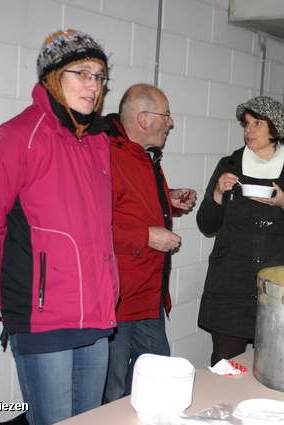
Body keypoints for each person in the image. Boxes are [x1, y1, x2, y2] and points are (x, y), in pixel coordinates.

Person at [0, 30, 118, 425]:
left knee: (90, 420)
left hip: (96, 318)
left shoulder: (97, 141)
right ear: (53, 77)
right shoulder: (14, 139)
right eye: (81, 72)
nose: (93, 85)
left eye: (100, 76)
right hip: (42, 318)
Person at [196, 96, 284, 366]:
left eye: (257, 123)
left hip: (279, 285)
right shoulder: (229, 166)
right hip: (231, 284)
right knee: (224, 365)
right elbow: (206, 224)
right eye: (246, 123)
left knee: (276, 365)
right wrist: (218, 193)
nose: (248, 130)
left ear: (275, 129)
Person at [102, 84, 197, 403]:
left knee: (157, 379)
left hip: (149, 294)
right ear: (143, 118)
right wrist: (147, 236)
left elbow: (131, 205)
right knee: (112, 389)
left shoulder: (145, 156)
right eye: (166, 115)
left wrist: (168, 201)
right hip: (118, 299)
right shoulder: (105, 154)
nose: (171, 123)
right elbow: (91, 228)